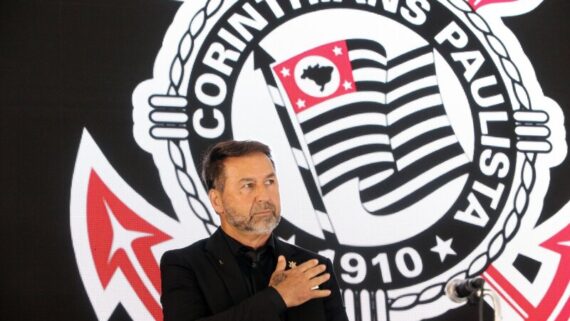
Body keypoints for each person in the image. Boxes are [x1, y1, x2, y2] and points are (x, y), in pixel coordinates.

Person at [160, 140, 349, 321]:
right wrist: (277, 298)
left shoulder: (313, 267)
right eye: (248, 185)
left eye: (269, 182)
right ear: (217, 201)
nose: (264, 196)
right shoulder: (184, 265)